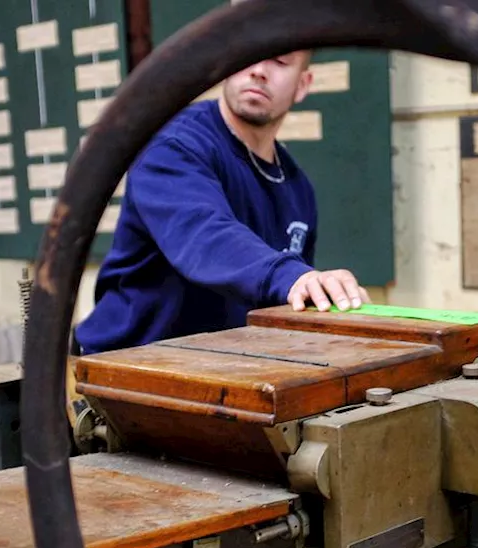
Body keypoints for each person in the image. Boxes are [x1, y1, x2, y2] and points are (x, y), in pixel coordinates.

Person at [72, 50, 369, 355]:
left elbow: (287, 303)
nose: (258, 70)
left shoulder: (297, 188)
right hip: (126, 368)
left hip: (221, 372)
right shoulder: (175, 147)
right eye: (250, 53)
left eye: (280, 61)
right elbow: (204, 234)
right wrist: (291, 276)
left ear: (303, 85)